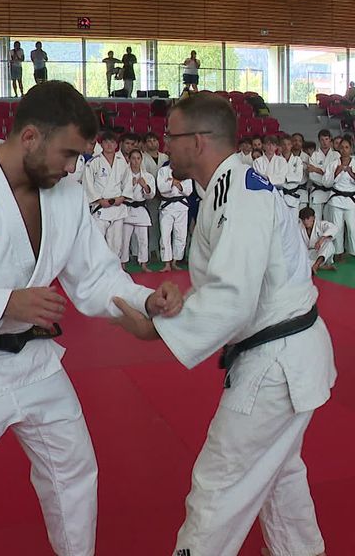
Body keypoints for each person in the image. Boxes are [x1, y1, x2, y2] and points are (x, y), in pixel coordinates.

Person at [0, 81, 182, 556]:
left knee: (74, 473)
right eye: (68, 154)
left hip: (36, 361)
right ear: (32, 137)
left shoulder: (67, 195)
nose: (73, 167)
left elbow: (97, 277)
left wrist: (144, 304)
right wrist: (3, 303)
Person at [113, 92, 335, 556]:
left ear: (197, 141)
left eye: (170, 137)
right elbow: (233, 279)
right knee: (280, 479)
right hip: (284, 353)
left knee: (217, 486)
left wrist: (155, 330)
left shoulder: (242, 191)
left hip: (277, 364)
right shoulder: (224, 188)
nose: (164, 145)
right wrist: (184, 300)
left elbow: (235, 295)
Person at [83, 130, 130, 258]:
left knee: (116, 243)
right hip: (101, 207)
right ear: (101, 144)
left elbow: (127, 181)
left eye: (112, 142)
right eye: (106, 142)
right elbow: (88, 184)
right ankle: (97, 270)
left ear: (116, 145)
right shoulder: (93, 162)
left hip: (117, 207)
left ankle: (114, 270)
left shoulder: (122, 163)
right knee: (97, 242)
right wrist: (98, 200)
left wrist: (123, 197)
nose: (109, 145)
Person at [121, 149, 155, 273]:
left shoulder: (148, 176)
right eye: (133, 158)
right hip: (127, 209)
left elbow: (151, 195)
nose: (135, 161)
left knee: (143, 240)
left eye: (138, 158)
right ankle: (123, 264)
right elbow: (120, 193)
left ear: (141, 160)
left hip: (141, 210)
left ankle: (144, 264)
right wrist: (131, 184)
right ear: (129, 159)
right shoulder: (123, 176)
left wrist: (145, 186)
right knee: (124, 240)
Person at [323, 136, 355, 260]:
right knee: (337, 227)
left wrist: (352, 174)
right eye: (342, 147)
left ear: (351, 149)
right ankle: (338, 252)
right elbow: (326, 183)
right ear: (338, 149)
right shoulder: (333, 164)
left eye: (347, 147)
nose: (344, 150)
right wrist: (336, 172)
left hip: (351, 200)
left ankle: (353, 251)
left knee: (352, 227)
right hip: (336, 199)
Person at [157, 160, 193, 272]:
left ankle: (175, 261)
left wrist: (175, 183)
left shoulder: (185, 172)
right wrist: (172, 183)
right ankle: (166, 263)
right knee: (165, 235)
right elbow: (161, 188)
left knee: (181, 235)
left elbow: (188, 190)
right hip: (166, 207)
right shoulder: (163, 170)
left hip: (181, 207)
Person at [308, 129, 340, 220]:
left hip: (331, 193)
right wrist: (328, 175)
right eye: (322, 140)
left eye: (326, 139)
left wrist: (317, 169)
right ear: (319, 140)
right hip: (317, 192)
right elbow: (312, 176)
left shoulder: (336, 155)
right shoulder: (314, 155)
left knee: (330, 221)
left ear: (330, 140)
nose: (324, 142)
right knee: (316, 221)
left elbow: (336, 174)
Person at [299, 207, 337, 274]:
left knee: (329, 244)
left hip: (321, 252)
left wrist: (321, 239)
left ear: (313, 217)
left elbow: (334, 228)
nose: (305, 221)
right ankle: (321, 266)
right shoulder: (299, 227)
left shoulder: (321, 224)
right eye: (303, 219)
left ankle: (316, 265)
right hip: (308, 253)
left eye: (308, 218)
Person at [279, 134, 303, 217]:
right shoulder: (276, 160)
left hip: (293, 195)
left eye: (288, 144)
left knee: (294, 222)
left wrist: (284, 178)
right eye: (284, 144)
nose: (286, 147)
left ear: (291, 145)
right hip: (280, 195)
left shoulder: (297, 160)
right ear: (280, 146)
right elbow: (274, 178)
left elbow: (299, 178)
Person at [291, 132, 309, 209]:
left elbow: (310, 176)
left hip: (302, 191)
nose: (297, 143)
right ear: (291, 142)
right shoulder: (285, 156)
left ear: (302, 143)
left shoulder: (307, 157)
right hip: (289, 191)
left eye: (299, 141)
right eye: (295, 140)